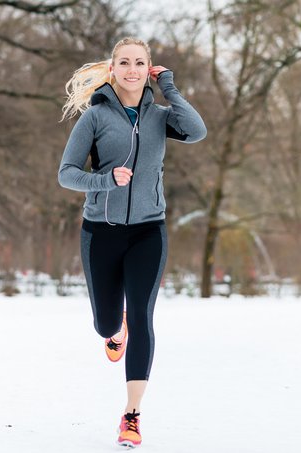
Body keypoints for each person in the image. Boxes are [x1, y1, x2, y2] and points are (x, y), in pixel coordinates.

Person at [57, 37, 206, 448]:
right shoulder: (94, 118)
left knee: (141, 314)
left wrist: (170, 88)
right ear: (112, 69)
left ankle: (132, 414)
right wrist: (105, 180)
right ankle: (112, 330)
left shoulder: (160, 116)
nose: (132, 69)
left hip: (147, 231)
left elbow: (196, 131)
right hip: (100, 231)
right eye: (124, 62)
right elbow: (66, 173)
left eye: (140, 62)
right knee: (107, 322)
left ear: (149, 69)